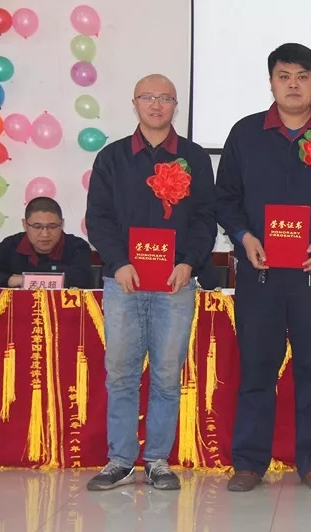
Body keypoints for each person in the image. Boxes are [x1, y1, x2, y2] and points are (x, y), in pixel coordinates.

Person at [215, 43, 311, 492]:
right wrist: (243, 236)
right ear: (271, 82)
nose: (294, 85)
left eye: (303, 76)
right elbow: (225, 198)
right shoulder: (245, 133)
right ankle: (249, 463)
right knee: (257, 369)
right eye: (284, 76)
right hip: (260, 273)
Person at [85, 74, 217, 491]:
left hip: (175, 284)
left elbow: (205, 218)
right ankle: (120, 461)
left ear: (176, 105)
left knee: (166, 374)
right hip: (123, 283)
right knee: (120, 373)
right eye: (148, 97)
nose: (156, 104)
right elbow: (99, 218)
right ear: (135, 103)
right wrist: (119, 262)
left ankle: (158, 459)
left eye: (165, 98)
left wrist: (189, 263)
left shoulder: (195, 158)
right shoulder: (112, 157)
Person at [0, 197, 91, 288]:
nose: (45, 234)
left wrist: (27, 280)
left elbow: (80, 278)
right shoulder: (11, 245)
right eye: (37, 227)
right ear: (25, 224)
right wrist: (10, 280)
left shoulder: (77, 246)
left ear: (62, 224)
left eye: (52, 226)